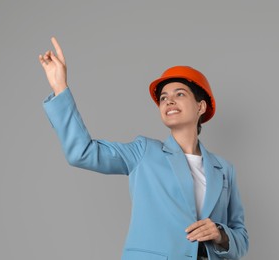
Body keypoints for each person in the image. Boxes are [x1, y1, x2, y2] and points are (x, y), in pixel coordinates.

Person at [38, 37, 249, 260]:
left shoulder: (224, 169)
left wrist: (220, 234)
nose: (168, 101)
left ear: (201, 106)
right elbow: (82, 153)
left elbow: (241, 238)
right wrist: (60, 88)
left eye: (180, 94)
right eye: (163, 97)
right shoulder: (144, 152)